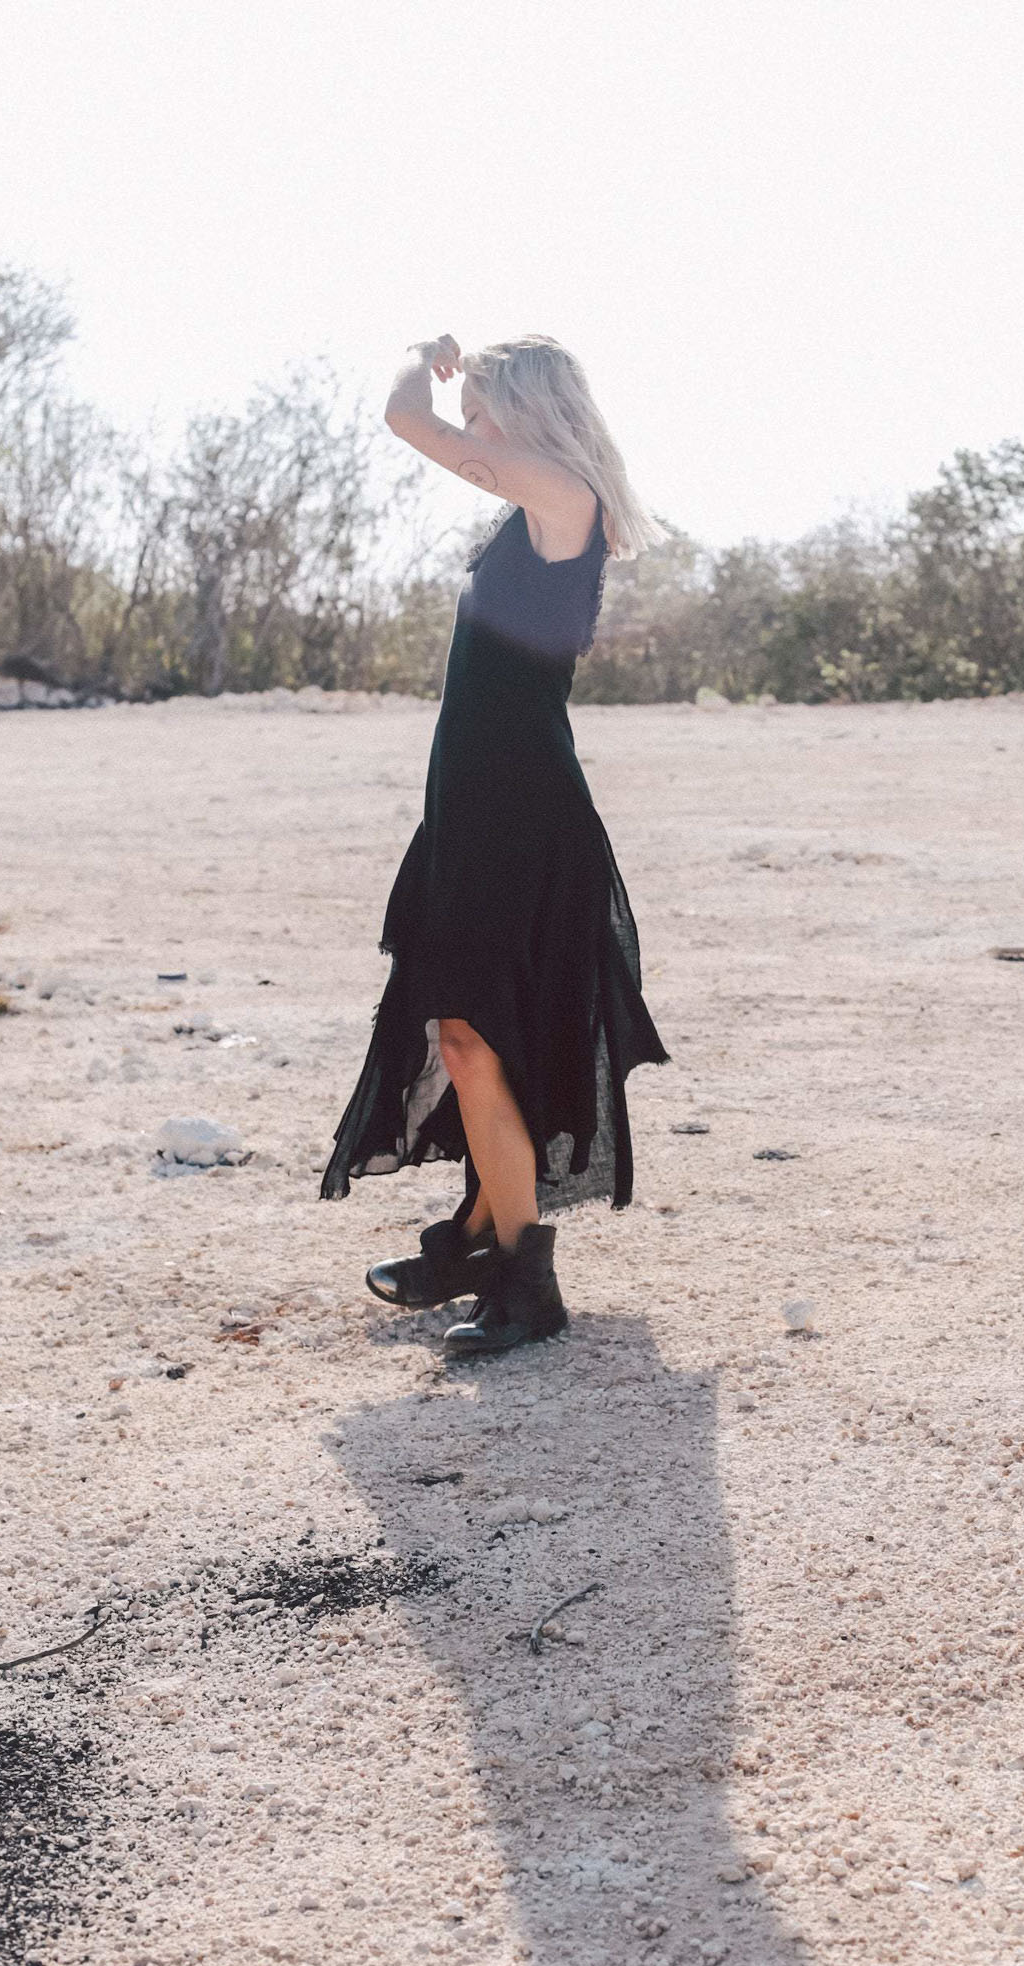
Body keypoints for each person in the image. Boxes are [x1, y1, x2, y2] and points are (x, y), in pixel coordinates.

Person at [320, 332, 671, 1359]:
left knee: (478, 1040)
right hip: (474, 813)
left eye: (482, 408)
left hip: (522, 815)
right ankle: (482, 1237)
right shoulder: (532, 512)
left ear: (525, 406)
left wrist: (415, 364)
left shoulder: (563, 494)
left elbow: (403, 421)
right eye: (468, 410)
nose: (471, 429)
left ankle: (523, 1278)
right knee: (470, 1043)